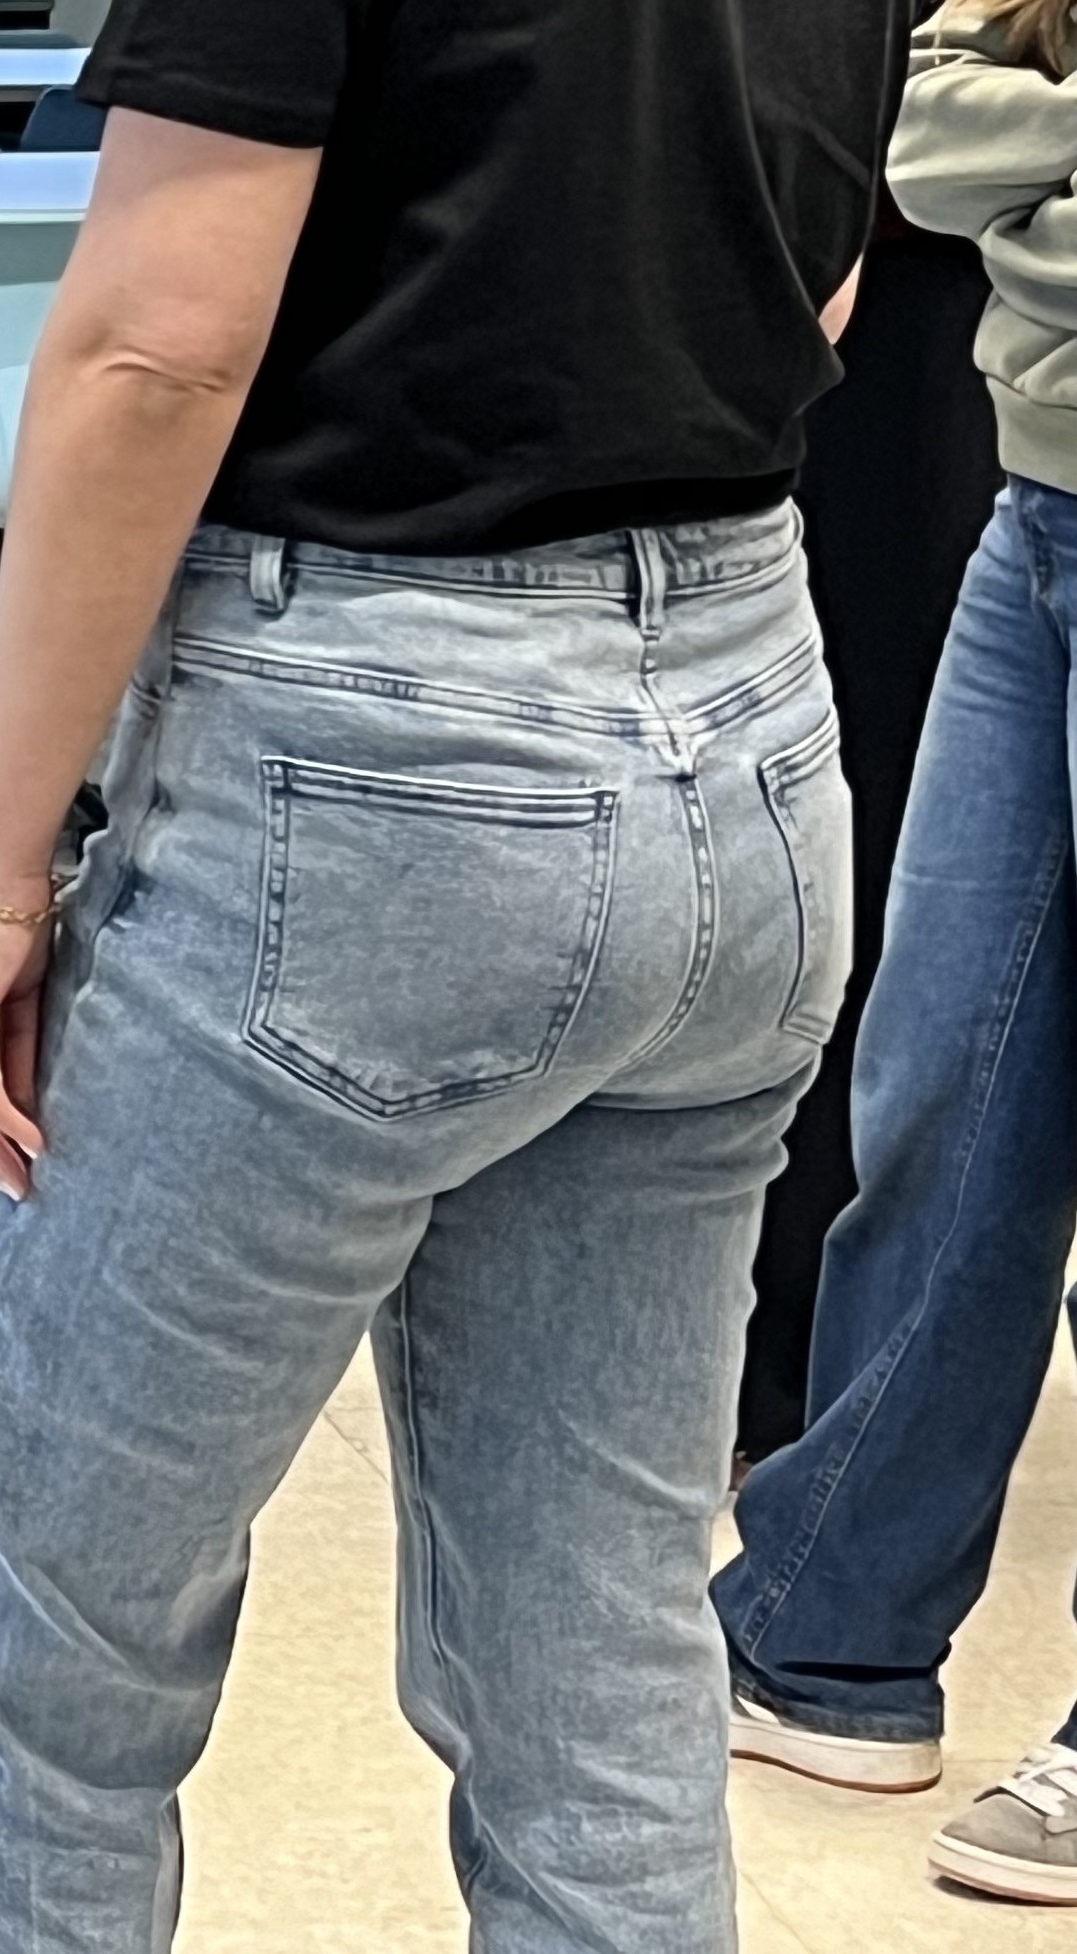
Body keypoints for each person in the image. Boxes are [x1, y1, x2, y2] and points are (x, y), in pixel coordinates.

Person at [0, 0, 897, 1945]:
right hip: (748, 726)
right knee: (596, 1674)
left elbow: (158, 341)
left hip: (373, 747)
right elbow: (827, 289)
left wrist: (1, 871)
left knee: (48, 1675)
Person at [718, 0, 1077, 1907]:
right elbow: (916, 129)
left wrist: (1024, 171)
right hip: (1038, 509)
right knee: (942, 1075)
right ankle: (826, 1629)